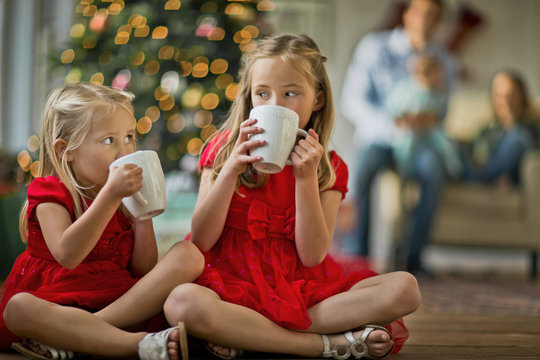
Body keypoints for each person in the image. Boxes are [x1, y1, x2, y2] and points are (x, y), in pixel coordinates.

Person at [163, 34, 421, 360]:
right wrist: (229, 171)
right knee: (182, 302)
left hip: (297, 287)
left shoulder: (329, 168)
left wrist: (305, 179)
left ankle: (246, 333)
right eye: (262, 94)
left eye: (290, 93)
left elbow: (312, 255)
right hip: (229, 282)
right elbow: (201, 240)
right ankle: (328, 344)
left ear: (318, 100)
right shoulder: (224, 149)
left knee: (405, 289)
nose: (274, 105)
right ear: (249, 98)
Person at [0, 83, 204, 360]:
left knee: (188, 255)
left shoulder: (122, 197)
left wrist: (144, 217)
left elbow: (142, 270)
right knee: (17, 308)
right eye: (109, 140)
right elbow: (68, 255)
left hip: (116, 305)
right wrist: (110, 196)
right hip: (58, 302)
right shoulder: (50, 192)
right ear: (66, 150)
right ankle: (140, 345)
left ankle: (76, 337)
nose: (125, 151)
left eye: (130, 137)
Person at [340, 0, 457, 275]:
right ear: (406, 14)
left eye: (434, 16)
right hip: (380, 137)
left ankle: (413, 259)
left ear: (439, 22)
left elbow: (444, 107)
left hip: (421, 141)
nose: (426, 20)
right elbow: (352, 100)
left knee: (435, 169)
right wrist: (393, 124)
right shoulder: (374, 47)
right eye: (421, 13)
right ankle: (359, 256)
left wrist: (428, 118)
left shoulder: (445, 61)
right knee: (364, 168)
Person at [387, 53, 462, 179]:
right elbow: (394, 112)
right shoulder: (404, 90)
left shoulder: (437, 92)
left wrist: (428, 119)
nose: (440, 79)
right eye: (437, 76)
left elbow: (439, 114)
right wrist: (407, 120)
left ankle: (455, 170)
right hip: (409, 131)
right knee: (404, 146)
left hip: (430, 132)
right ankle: (405, 172)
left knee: (446, 143)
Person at [464, 69, 536, 186]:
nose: (506, 102)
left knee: (518, 138)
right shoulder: (486, 131)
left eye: (511, 95)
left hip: (516, 179)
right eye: (500, 96)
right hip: (492, 178)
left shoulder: (532, 129)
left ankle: (482, 179)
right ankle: (488, 179)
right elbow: (479, 159)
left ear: (522, 97)